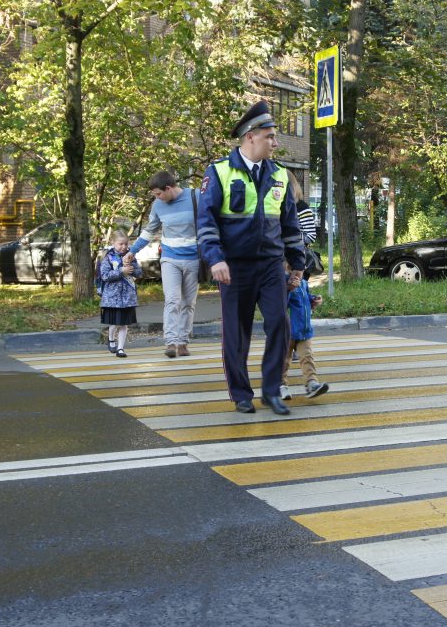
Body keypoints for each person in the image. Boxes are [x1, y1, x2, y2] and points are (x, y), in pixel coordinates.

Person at [197, 100, 306, 415]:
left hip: (271, 265)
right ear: (250, 137)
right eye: (270, 136)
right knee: (237, 331)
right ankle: (241, 393)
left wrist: (297, 264)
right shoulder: (218, 172)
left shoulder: (281, 175)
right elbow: (206, 222)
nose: (275, 142)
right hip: (234, 266)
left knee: (280, 325)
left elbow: (290, 226)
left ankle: (271, 391)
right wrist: (215, 258)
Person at [130, 171, 200, 358]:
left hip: (194, 258)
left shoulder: (197, 197)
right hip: (170, 258)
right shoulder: (158, 205)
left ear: (168, 188)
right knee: (172, 300)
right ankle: (170, 342)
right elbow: (149, 231)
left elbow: (212, 223)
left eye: (158, 194)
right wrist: (132, 251)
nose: (157, 198)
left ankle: (183, 342)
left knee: (188, 302)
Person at [279, 271, 329, 401]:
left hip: (304, 329)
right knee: (284, 360)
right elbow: (279, 303)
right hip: (288, 331)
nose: (301, 272)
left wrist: (313, 300)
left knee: (307, 357)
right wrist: (288, 288)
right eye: (298, 268)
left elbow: (305, 298)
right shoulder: (282, 281)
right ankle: (281, 385)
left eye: (302, 268)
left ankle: (311, 383)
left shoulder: (304, 283)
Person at [99, 229, 142, 358]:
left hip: (128, 298)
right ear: (113, 243)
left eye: (125, 244)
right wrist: (120, 271)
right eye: (120, 244)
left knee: (124, 324)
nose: (123, 247)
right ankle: (111, 338)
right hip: (113, 299)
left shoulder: (130, 256)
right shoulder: (108, 258)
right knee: (114, 324)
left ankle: (120, 348)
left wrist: (132, 266)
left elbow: (139, 274)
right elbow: (105, 276)